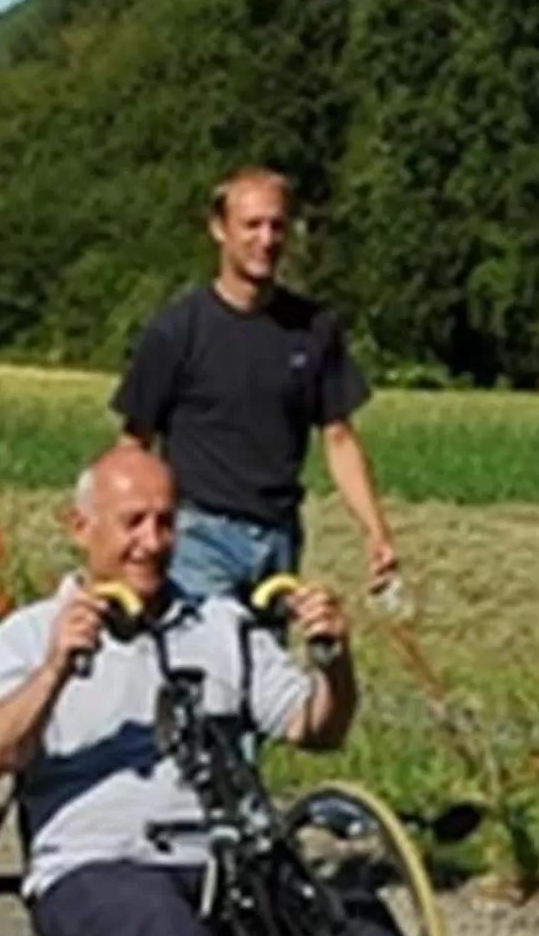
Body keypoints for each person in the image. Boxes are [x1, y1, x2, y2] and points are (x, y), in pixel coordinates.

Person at [0, 442, 523, 936]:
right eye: (132, 522)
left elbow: (315, 728)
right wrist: (58, 667)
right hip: (99, 868)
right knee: (151, 916)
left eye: (166, 523)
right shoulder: (30, 634)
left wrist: (335, 660)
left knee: (334, 906)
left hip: (231, 856)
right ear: (80, 527)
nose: (152, 543)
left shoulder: (218, 625)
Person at [113, 166, 399, 606]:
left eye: (277, 225)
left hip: (278, 540)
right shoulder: (177, 331)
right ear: (219, 229)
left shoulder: (313, 329)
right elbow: (134, 443)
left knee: (265, 670)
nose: (266, 239)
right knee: (211, 664)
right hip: (199, 536)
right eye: (252, 225)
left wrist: (375, 532)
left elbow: (338, 437)